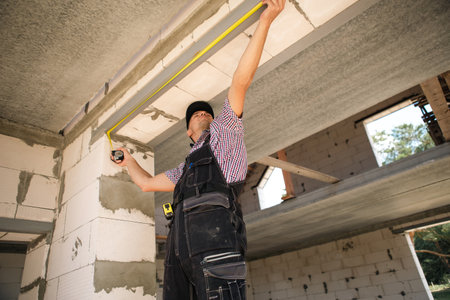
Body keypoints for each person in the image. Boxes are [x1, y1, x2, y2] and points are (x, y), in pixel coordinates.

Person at [112, 1, 285, 299]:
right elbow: (145, 184)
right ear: (189, 132)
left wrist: (266, 21)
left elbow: (240, 82)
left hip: (217, 251)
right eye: (196, 114)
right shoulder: (184, 169)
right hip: (178, 259)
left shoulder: (224, 135)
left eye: (208, 112)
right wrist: (129, 162)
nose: (204, 114)